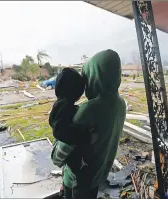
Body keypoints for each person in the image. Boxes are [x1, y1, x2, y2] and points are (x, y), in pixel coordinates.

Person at [51, 49, 126, 199]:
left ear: (94, 76)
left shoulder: (90, 109)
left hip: (77, 179)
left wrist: (55, 155)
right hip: (99, 172)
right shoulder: (120, 103)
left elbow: (60, 153)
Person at [49, 67, 95, 197]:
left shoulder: (61, 103)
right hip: (74, 154)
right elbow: (59, 131)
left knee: (70, 172)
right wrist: (83, 135)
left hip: (69, 155)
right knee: (79, 177)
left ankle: (64, 188)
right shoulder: (65, 106)